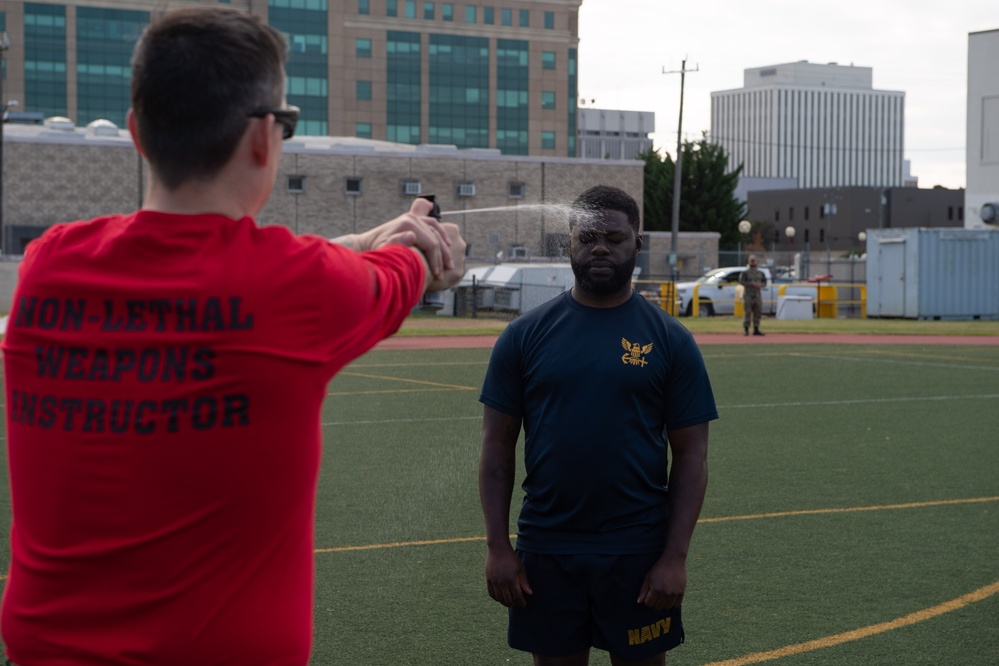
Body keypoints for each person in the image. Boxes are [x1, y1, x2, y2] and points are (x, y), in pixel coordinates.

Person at [0, 7, 465, 665]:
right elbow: (391, 275)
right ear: (262, 139)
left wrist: (365, 239)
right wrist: (425, 247)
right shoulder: (299, 287)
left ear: (136, 132)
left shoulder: (50, 265)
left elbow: (235, 275)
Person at [478, 185, 717, 666]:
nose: (601, 247)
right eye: (588, 238)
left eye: (615, 237)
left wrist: (675, 557)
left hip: (638, 552)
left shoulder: (671, 339)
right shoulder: (523, 336)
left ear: (638, 244)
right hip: (547, 548)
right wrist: (499, 548)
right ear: (569, 242)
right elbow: (497, 449)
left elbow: (691, 456)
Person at [739, 254, 767, 336]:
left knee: (758, 312)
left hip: (757, 295)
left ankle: (756, 329)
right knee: (747, 312)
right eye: (751, 260)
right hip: (748, 295)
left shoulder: (760, 273)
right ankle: (746, 329)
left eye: (754, 260)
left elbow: (764, 282)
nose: (753, 262)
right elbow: (741, 282)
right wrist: (752, 284)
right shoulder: (745, 273)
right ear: (748, 261)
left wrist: (761, 285)